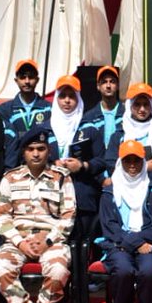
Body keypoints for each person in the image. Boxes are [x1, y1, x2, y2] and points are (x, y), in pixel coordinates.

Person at [0, 126, 76, 303]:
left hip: (51, 241)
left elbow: (68, 215)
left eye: (41, 148)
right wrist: (20, 242)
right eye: (30, 149)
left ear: (48, 151)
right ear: (23, 153)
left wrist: (48, 240)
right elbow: (1, 215)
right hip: (17, 241)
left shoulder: (61, 178)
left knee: (58, 271)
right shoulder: (10, 178)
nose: (36, 153)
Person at [100, 140, 152, 303]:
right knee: (123, 270)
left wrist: (135, 242)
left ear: (143, 162)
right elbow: (109, 226)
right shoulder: (109, 192)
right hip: (117, 244)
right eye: (127, 160)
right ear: (120, 162)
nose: (132, 165)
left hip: (148, 245)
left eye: (136, 160)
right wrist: (134, 243)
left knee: (148, 271)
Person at [49, 75, 103, 245]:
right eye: (63, 96)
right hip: (52, 198)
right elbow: (30, 158)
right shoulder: (46, 128)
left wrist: (82, 165)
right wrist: (51, 165)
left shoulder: (89, 126)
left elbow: (102, 160)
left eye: (72, 96)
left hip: (83, 195)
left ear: (78, 98)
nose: (67, 101)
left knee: (82, 246)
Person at [109, 82, 152, 188]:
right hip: (125, 190)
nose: (142, 109)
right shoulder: (119, 135)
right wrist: (144, 167)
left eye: (146, 104)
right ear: (130, 106)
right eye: (137, 104)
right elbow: (111, 164)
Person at [0, 59, 51, 164]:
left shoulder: (49, 108)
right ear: (16, 80)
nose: (27, 81)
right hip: (15, 165)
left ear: (37, 80)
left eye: (31, 77)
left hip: (42, 165)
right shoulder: (5, 109)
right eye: (22, 77)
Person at [78, 65, 124, 157]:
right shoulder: (89, 117)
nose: (108, 85)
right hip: (98, 168)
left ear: (118, 85)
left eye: (112, 82)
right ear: (98, 86)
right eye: (104, 82)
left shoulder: (127, 114)